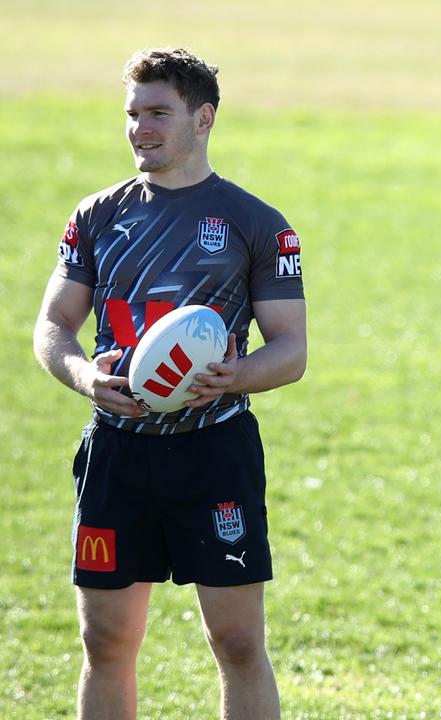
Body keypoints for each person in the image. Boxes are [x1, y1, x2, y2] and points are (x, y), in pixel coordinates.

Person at [33, 48, 306, 720]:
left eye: (158, 112)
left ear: (203, 118)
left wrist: (234, 376)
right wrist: (82, 378)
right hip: (117, 454)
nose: (139, 127)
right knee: (106, 640)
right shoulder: (97, 215)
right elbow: (53, 326)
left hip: (214, 453)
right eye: (132, 113)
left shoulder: (256, 224)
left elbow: (292, 351)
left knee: (238, 643)